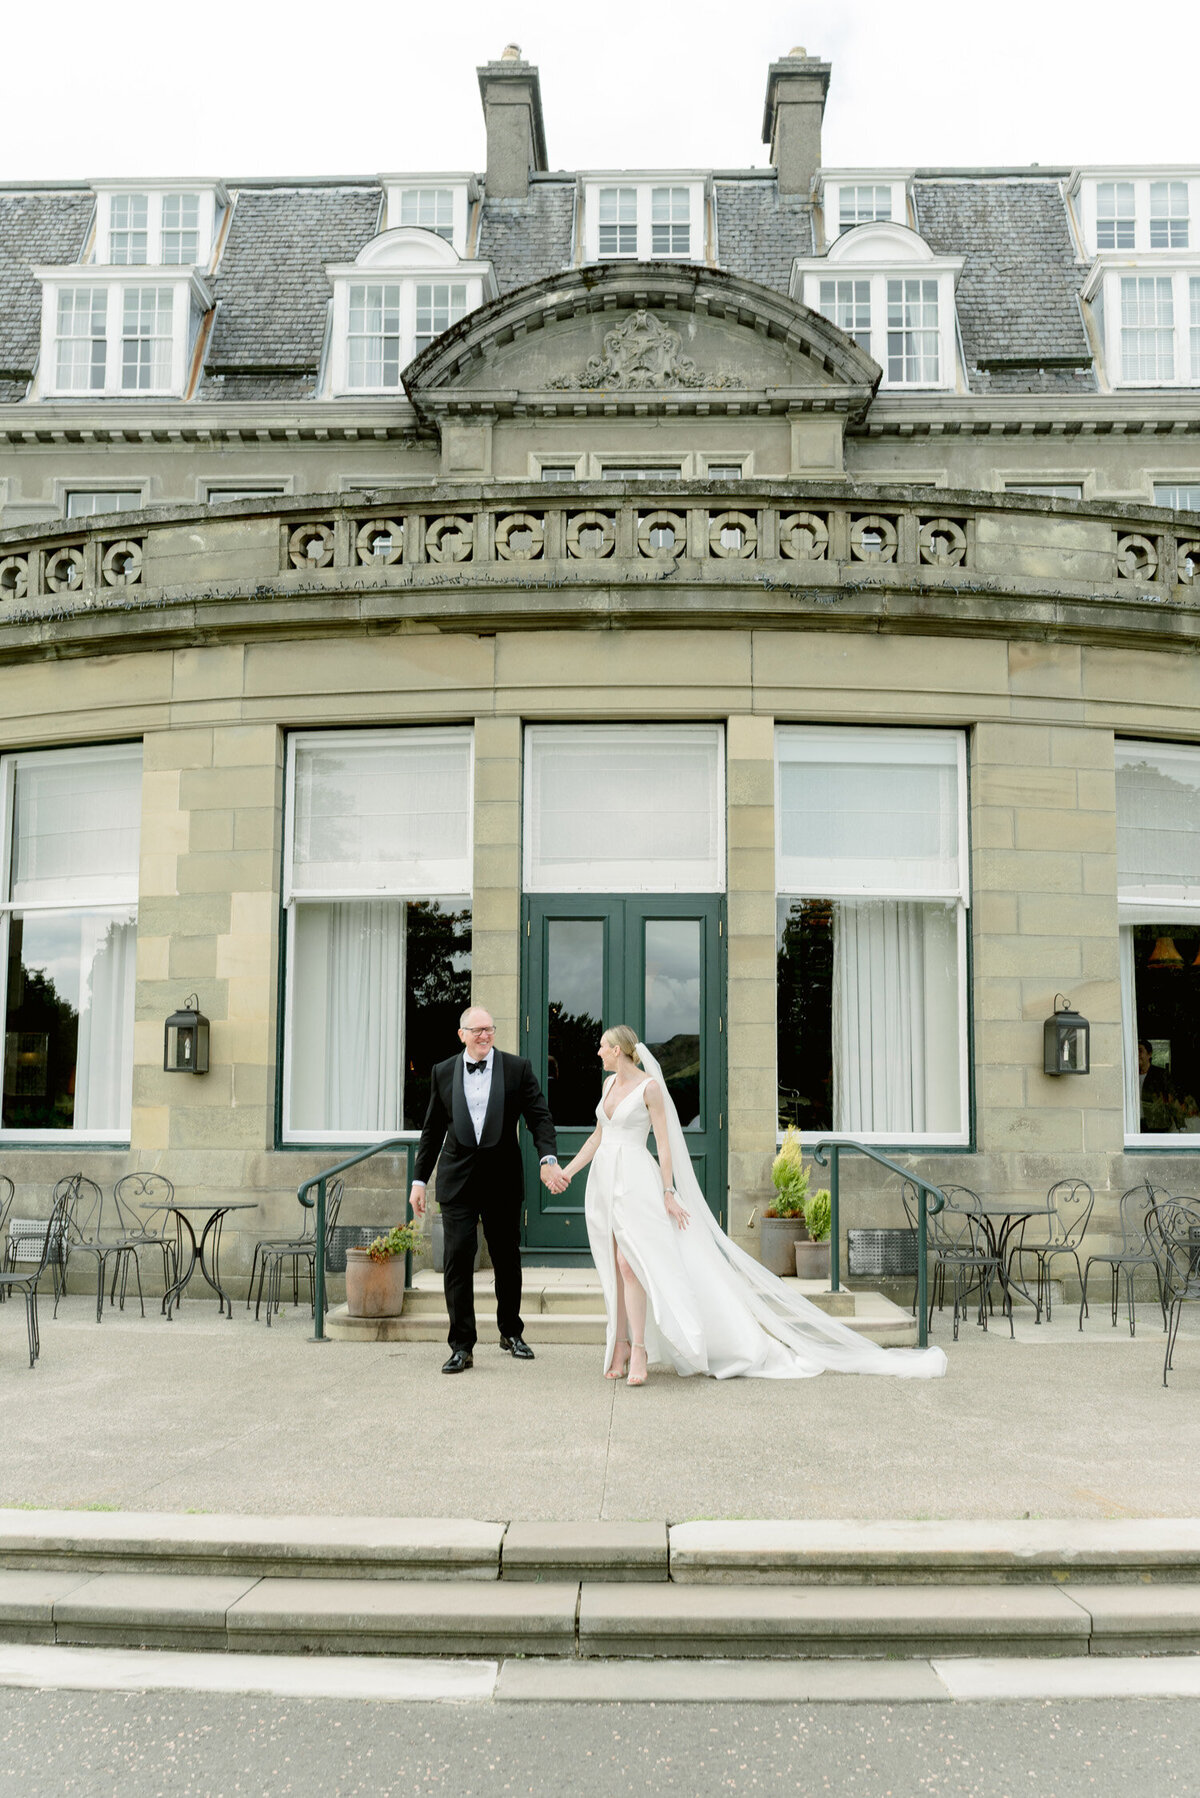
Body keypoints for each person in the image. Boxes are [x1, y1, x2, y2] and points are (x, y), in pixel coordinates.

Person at [557, 1025, 947, 1385]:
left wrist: (667, 1191)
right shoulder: (608, 1085)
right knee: (612, 1262)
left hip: (637, 1182)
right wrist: (569, 1172)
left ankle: (640, 1349)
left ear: (621, 1050)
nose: (599, 1051)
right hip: (605, 1181)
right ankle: (620, 1344)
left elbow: (662, 1143)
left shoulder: (649, 1089)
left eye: (604, 1046)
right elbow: (597, 1137)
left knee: (632, 1263)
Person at [411, 1006, 562, 1374]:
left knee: (506, 1260)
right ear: (461, 1034)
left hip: (502, 1180)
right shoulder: (442, 1071)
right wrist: (419, 1181)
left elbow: (539, 1117)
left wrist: (548, 1158)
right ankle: (462, 1345)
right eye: (476, 1030)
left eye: (489, 1029)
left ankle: (510, 1332)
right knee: (458, 1259)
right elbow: (432, 1130)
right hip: (457, 1180)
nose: (484, 1036)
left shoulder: (517, 1068)